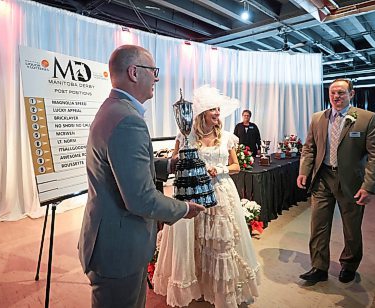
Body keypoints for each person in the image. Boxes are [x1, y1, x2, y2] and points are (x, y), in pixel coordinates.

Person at [78, 45, 205, 308]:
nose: (157, 78)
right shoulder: (127, 120)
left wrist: (168, 165)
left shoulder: (114, 110)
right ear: (134, 72)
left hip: (110, 240)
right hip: (119, 249)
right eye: (153, 71)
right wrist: (183, 208)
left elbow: (119, 167)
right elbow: (141, 199)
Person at [153, 85, 260, 308]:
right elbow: (175, 164)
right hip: (193, 193)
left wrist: (218, 170)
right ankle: (198, 285)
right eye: (214, 110)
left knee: (218, 243)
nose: (218, 114)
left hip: (221, 193)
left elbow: (236, 166)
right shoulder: (185, 136)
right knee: (193, 240)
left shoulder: (227, 137)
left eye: (219, 110)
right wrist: (192, 168)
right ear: (203, 114)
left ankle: (218, 289)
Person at [297, 78, 375, 284]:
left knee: (351, 228)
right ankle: (318, 267)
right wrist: (304, 171)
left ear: (351, 94)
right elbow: (310, 147)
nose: (336, 96)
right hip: (322, 178)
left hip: (352, 182)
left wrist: (369, 186)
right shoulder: (318, 118)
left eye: (341, 93)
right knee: (318, 225)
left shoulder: (366, 118)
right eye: (333, 92)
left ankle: (349, 264)